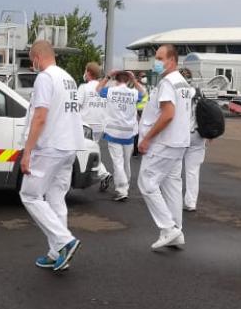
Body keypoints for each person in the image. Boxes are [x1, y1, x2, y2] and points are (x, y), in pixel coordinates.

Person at [18, 40, 83, 271]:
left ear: (36, 57)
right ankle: (58, 253)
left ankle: (65, 241)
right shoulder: (68, 78)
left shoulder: (45, 78)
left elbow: (40, 117)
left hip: (50, 147)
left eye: (31, 60)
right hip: (69, 146)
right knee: (56, 198)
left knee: (30, 195)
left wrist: (27, 152)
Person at [138, 44, 193, 250]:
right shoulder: (183, 83)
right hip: (179, 142)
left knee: (147, 183)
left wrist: (147, 138)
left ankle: (168, 229)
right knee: (172, 186)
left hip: (164, 142)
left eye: (160, 58)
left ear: (172, 60)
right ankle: (177, 230)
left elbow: (168, 114)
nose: (157, 61)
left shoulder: (168, 82)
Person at [95, 70, 144, 202]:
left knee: (118, 162)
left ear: (116, 80)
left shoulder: (110, 91)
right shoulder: (133, 93)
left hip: (113, 133)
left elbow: (98, 89)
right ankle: (125, 185)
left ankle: (121, 189)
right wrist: (134, 80)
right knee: (126, 162)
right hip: (128, 134)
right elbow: (143, 93)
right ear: (128, 80)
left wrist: (107, 76)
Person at [77, 62, 112, 191]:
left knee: (84, 150)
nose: (84, 73)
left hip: (86, 125)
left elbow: (76, 106)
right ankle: (103, 175)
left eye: (86, 71)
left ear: (89, 73)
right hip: (100, 125)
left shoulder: (83, 88)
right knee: (93, 150)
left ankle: (103, 174)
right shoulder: (103, 88)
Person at [179, 68, 206, 212]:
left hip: (180, 135)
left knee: (174, 170)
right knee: (193, 171)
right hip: (198, 135)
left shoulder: (178, 92)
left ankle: (173, 199)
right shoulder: (199, 92)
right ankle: (190, 202)